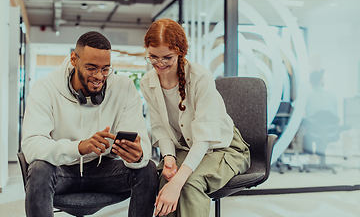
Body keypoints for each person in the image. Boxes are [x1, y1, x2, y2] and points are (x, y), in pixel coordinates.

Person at [21, 31, 157, 217]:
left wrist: (137, 155)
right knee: (39, 169)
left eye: (105, 69)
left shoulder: (123, 88)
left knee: (147, 168)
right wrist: (79, 147)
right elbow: (31, 145)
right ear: (73, 60)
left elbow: (143, 144)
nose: (99, 76)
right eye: (91, 68)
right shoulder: (45, 88)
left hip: (104, 171)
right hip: (61, 170)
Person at [140, 18, 251, 217]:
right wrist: (169, 159)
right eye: (153, 57)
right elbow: (160, 128)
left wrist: (178, 181)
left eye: (167, 57)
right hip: (185, 147)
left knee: (189, 183)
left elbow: (204, 139)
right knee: (164, 180)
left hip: (222, 147)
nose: (160, 63)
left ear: (180, 52)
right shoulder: (147, 82)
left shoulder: (200, 77)